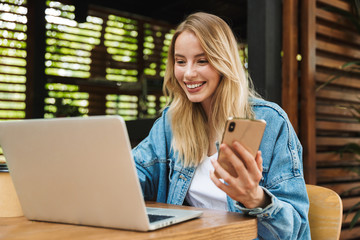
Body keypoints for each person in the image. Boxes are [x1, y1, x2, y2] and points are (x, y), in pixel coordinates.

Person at [132, 12, 311, 239]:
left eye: (202, 60)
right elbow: (131, 177)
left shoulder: (272, 122)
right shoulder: (170, 124)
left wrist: (255, 198)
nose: (188, 73)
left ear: (223, 62)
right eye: (180, 61)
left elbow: (294, 229)